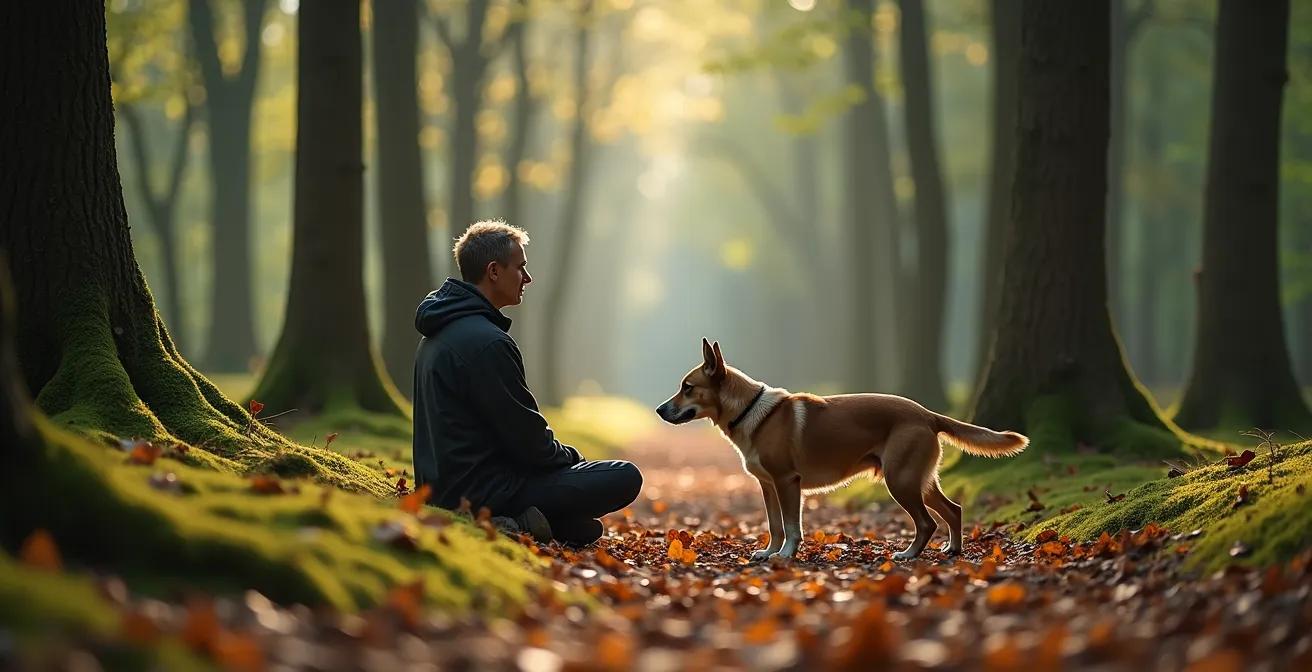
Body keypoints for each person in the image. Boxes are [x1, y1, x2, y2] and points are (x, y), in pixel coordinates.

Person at [411, 219, 643, 547]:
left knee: (585, 529)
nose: (527, 278)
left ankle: (528, 523)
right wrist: (576, 463)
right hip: (483, 491)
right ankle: (506, 521)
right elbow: (530, 441)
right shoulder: (487, 343)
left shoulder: (435, 334)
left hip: (442, 487)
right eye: (520, 268)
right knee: (625, 475)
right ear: (494, 271)